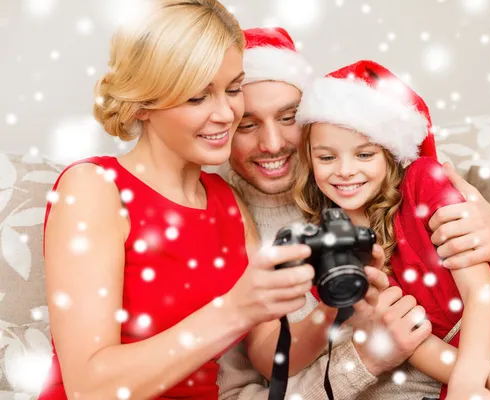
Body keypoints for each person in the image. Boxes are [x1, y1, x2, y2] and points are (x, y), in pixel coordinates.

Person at [38, 2, 375, 398]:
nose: (226, 114)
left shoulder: (226, 203)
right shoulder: (93, 187)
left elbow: (269, 353)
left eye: (233, 90)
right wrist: (235, 310)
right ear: (142, 104)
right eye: (198, 98)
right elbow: (90, 387)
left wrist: (337, 304)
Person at [217, 27, 490, 400]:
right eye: (247, 124)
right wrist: (366, 358)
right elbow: (249, 386)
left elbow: (486, 277)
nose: (271, 144)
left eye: (288, 117)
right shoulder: (224, 220)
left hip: (482, 363)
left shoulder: (380, 169)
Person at [293, 59, 490, 399]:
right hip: (471, 360)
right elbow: (413, 341)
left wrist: (467, 384)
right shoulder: (332, 251)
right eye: (326, 158)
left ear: (390, 154)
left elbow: (480, 294)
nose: (345, 171)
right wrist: (487, 381)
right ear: (308, 159)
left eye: (364, 155)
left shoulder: (423, 182)